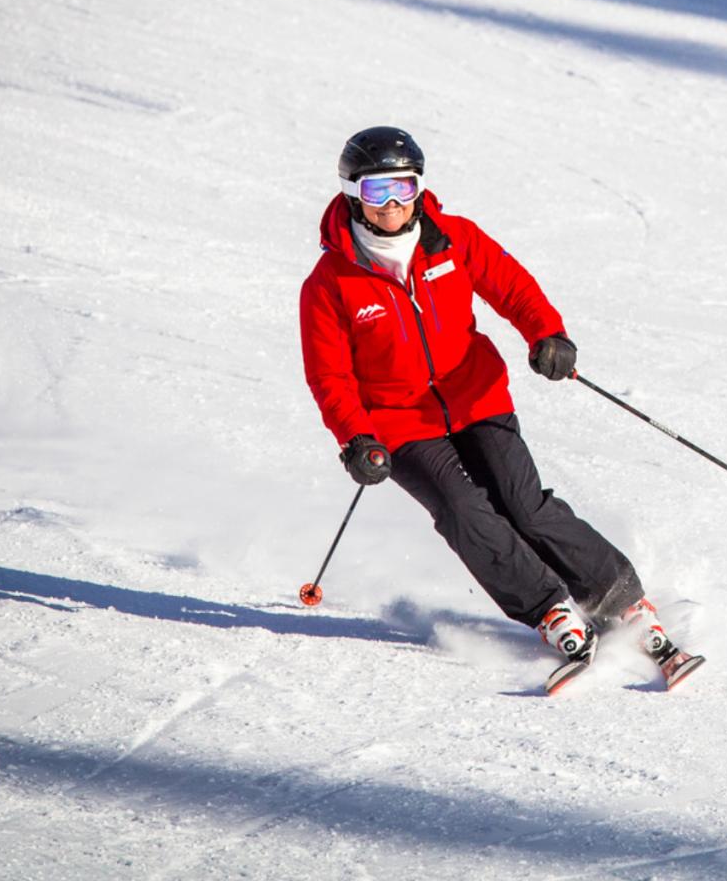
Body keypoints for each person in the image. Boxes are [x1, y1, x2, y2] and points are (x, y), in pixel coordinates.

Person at [299, 126, 698, 689]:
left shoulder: (452, 239)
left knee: (523, 503)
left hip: (475, 393)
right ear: (351, 195)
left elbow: (511, 286)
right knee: (465, 513)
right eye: (376, 191)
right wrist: (356, 437)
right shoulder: (330, 283)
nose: (393, 204)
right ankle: (548, 609)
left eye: (404, 187)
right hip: (399, 423)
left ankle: (619, 599)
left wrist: (547, 334)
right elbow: (329, 374)